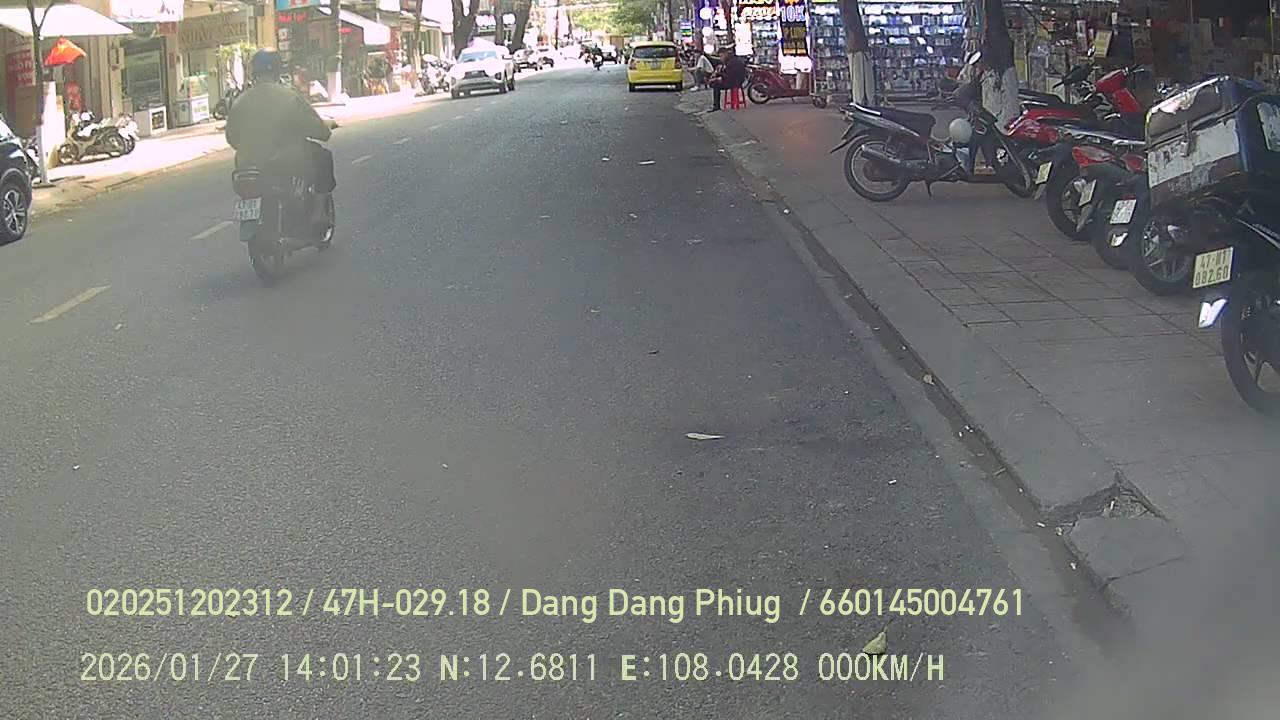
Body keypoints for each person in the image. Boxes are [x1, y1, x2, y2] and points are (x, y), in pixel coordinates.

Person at [226, 50, 336, 221]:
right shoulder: (289, 96)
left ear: (254, 72)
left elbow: (231, 138)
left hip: (246, 165)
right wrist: (324, 129)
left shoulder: (240, 101)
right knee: (323, 158)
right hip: (284, 162)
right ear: (277, 70)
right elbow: (318, 130)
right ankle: (318, 212)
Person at [707, 47, 747, 112]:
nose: (721, 58)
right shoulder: (731, 59)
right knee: (715, 82)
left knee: (715, 85)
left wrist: (718, 78)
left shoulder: (732, 62)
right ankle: (716, 105)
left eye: (721, 56)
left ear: (725, 54)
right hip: (735, 79)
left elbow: (730, 75)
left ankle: (716, 106)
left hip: (735, 81)